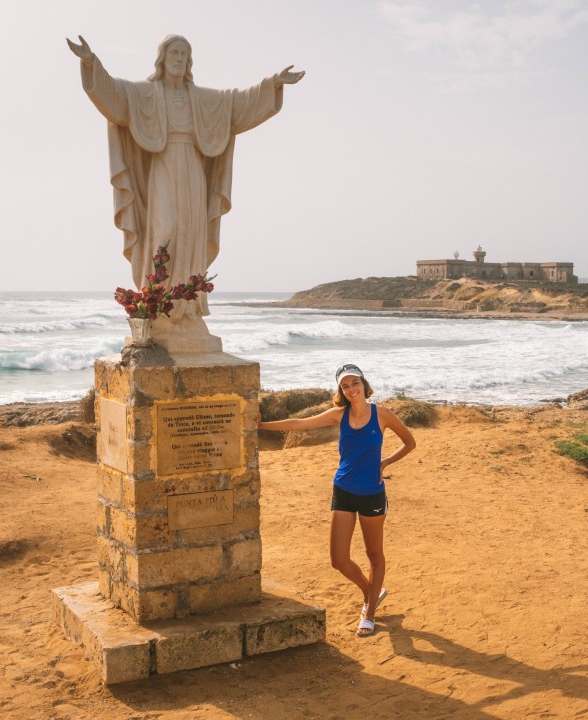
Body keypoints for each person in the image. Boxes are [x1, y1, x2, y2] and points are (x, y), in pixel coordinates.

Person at [67, 34, 304, 337]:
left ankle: (186, 307)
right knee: (165, 230)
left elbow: (237, 103)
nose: (179, 58)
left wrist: (273, 83)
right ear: (162, 58)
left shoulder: (202, 98)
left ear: (189, 61)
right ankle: (159, 305)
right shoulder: (146, 93)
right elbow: (114, 94)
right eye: (174, 52)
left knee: (191, 232)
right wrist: (90, 62)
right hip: (163, 166)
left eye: (184, 53)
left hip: (193, 166)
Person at [259, 364, 416, 637]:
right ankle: (372, 592)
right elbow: (298, 424)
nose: (351, 389)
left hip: (372, 495)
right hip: (343, 490)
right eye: (345, 386)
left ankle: (369, 612)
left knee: (374, 554)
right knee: (339, 559)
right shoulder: (338, 415)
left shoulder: (383, 415)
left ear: (363, 384)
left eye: (354, 383)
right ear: (341, 391)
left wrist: (386, 462)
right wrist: (260, 425)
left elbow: (409, 442)